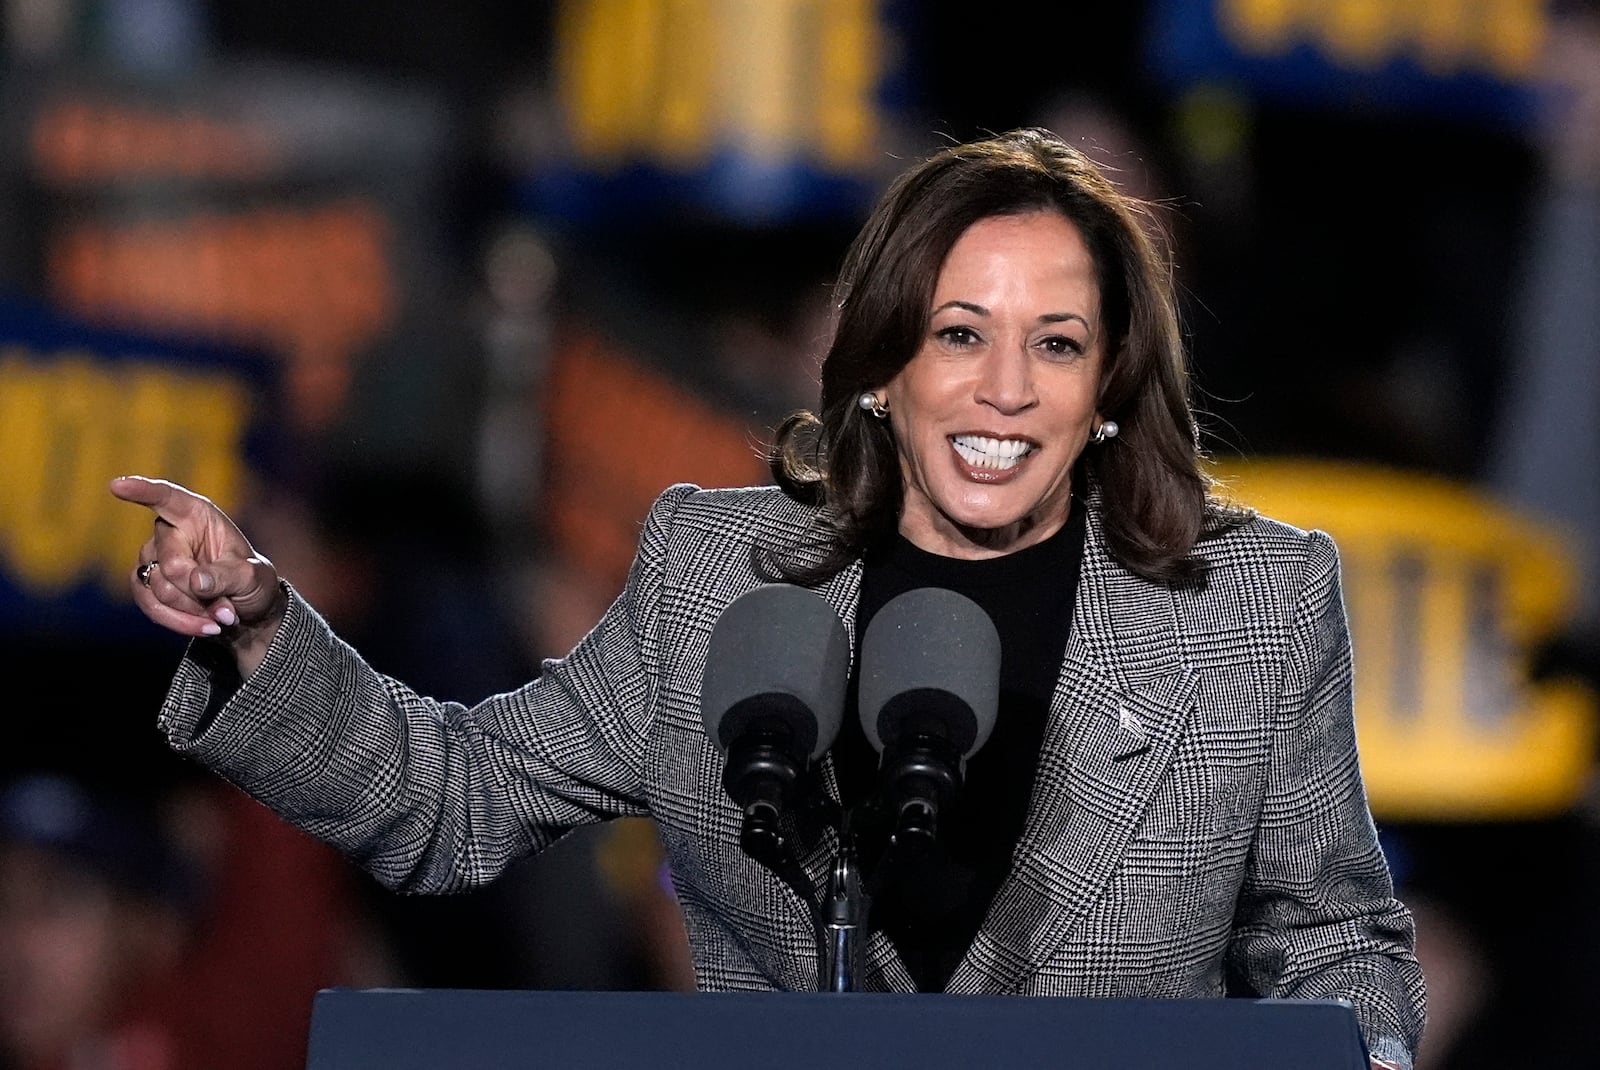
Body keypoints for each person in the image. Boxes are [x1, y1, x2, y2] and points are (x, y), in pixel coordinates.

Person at [109, 127, 1426, 1069]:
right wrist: (271, 634)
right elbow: (451, 802)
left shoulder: (1253, 603)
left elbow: (1331, 929)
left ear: (1115, 387)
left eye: (1058, 344)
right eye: (959, 333)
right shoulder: (720, 578)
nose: (1004, 388)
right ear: (877, 365)